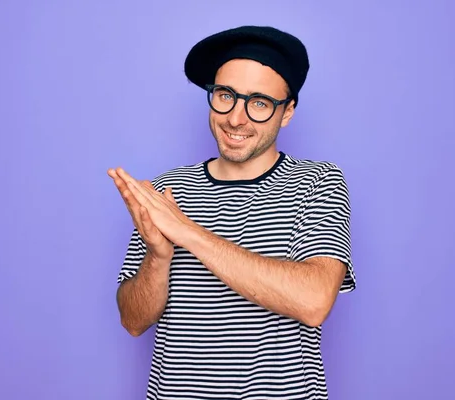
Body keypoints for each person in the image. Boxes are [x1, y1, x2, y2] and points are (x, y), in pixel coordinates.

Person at [108, 25, 357, 400]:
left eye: (258, 103)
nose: (236, 119)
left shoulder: (318, 181)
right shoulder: (166, 192)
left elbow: (313, 301)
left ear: (287, 112)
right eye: (225, 95)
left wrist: (189, 234)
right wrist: (159, 255)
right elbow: (132, 321)